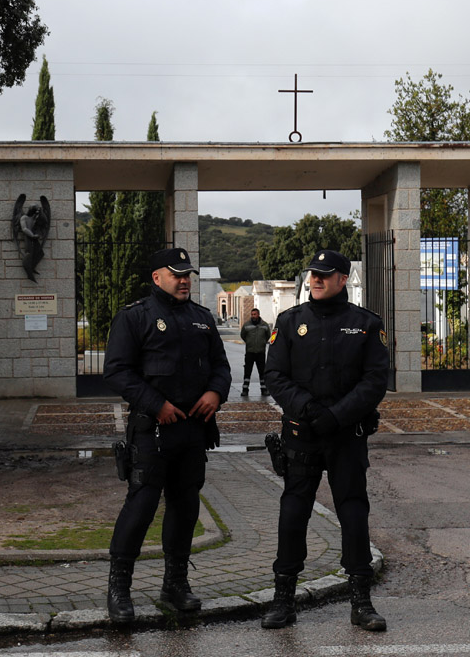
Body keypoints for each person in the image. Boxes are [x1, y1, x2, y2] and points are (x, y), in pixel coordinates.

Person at [260, 249, 389, 632]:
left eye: (325, 274)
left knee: (353, 513)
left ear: (343, 279)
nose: (316, 279)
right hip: (302, 435)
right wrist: (311, 411)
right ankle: (283, 600)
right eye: (313, 273)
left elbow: (376, 380)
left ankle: (361, 602)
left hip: (346, 437)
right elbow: (276, 376)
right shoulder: (288, 322)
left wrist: (337, 416)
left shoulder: (365, 324)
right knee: (293, 514)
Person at [102, 247, 232, 624]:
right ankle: (119, 590)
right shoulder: (135, 317)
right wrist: (156, 403)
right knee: (140, 508)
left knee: (185, 508)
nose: (184, 280)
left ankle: (175, 584)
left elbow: (220, 366)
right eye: (176, 274)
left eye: (188, 274)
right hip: (152, 432)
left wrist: (215, 393)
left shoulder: (202, 318)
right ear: (157, 277)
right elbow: (117, 371)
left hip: (193, 433)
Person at [239, 307, 272, 396]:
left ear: (258, 315)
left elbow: (268, 335)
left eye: (255, 314)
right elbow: (243, 335)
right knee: (247, 371)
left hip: (261, 352)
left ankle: (264, 389)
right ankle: (245, 389)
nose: (253, 316)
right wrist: (249, 342)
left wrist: (262, 343)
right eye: (252, 314)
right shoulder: (246, 325)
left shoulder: (264, 325)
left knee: (262, 371)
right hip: (250, 351)